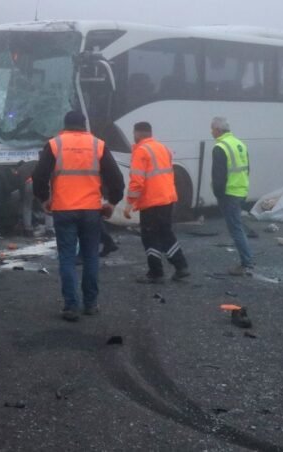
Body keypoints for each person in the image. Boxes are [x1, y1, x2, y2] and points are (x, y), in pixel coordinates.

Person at [32, 111, 124, 321]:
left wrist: (44, 198)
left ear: (65, 125)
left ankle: (71, 306)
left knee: (67, 257)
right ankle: (90, 304)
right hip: (91, 210)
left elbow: (39, 176)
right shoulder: (97, 145)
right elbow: (116, 178)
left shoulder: (55, 144)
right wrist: (112, 202)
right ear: (84, 125)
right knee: (91, 256)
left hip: (63, 209)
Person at [124, 122, 190, 282]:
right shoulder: (162, 148)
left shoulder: (141, 151)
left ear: (137, 134)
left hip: (151, 201)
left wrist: (129, 203)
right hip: (167, 198)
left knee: (149, 236)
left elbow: (137, 182)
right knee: (165, 232)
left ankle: (156, 272)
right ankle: (180, 266)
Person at [210, 116, 254, 276]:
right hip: (240, 191)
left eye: (212, 129)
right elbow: (247, 169)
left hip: (229, 194)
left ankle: (247, 263)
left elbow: (219, 176)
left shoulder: (220, 147)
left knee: (236, 229)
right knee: (237, 227)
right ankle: (247, 261)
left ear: (219, 130)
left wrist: (218, 194)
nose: (211, 132)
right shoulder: (239, 144)